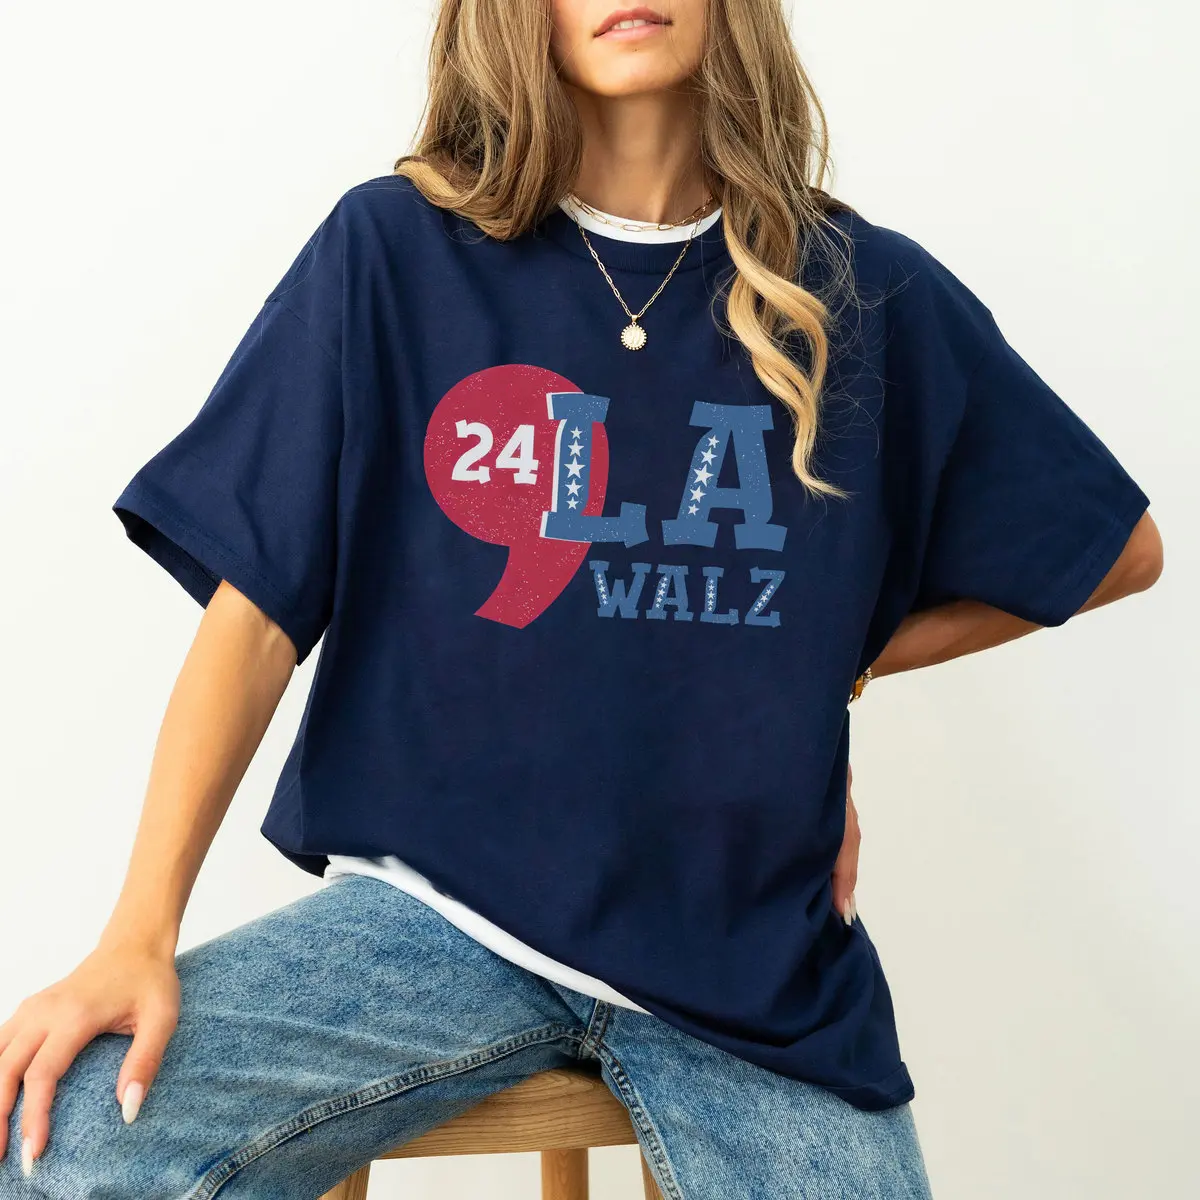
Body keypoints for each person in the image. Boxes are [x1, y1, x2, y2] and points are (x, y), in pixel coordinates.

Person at [1, 1, 1163, 1196]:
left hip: (751, 965)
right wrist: (136, 933)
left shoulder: (860, 294)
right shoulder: (394, 253)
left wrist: (838, 663)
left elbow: (1118, 550)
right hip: (437, 922)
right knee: (62, 1136)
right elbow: (252, 620)